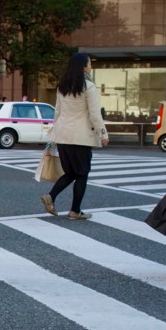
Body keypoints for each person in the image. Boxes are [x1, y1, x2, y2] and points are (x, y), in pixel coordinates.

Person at [40, 53, 109, 220]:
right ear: (84, 67)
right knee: (82, 173)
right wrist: (103, 133)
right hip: (81, 136)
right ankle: (74, 211)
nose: (91, 66)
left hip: (63, 134)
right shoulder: (88, 86)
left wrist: (54, 133)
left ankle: (51, 196)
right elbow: (94, 114)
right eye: (89, 64)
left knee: (71, 172)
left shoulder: (62, 86)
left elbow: (58, 111)